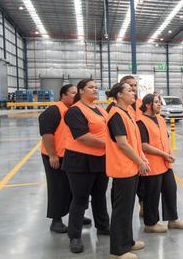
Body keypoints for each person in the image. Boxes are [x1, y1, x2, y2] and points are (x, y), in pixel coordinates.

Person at [62, 79, 110, 254]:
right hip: (79, 161)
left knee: (99, 195)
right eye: (91, 87)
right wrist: (109, 146)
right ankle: (74, 236)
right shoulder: (74, 111)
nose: (95, 89)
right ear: (81, 91)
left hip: (100, 159)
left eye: (96, 87)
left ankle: (104, 226)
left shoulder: (99, 109)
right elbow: (82, 136)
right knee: (80, 199)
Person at [39, 84, 92, 233]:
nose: (76, 96)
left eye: (77, 93)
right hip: (56, 156)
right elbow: (46, 133)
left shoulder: (76, 110)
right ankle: (56, 220)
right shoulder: (55, 110)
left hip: (71, 156)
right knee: (57, 188)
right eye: (73, 93)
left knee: (74, 189)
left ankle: (77, 217)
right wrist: (52, 155)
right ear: (63, 95)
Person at [105, 82, 150, 259]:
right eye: (129, 90)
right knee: (121, 210)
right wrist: (139, 161)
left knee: (128, 208)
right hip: (122, 168)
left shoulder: (128, 112)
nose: (133, 92)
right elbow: (122, 144)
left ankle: (128, 241)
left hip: (131, 167)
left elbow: (134, 141)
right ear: (119, 95)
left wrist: (142, 158)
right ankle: (118, 250)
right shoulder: (115, 114)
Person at [137, 93, 183, 234]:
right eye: (156, 102)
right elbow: (144, 145)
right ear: (148, 105)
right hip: (152, 165)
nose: (160, 104)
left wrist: (169, 153)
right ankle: (150, 224)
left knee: (170, 190)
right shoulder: (141, 122)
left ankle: (173, 220)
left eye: (159, 102)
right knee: (152, 195)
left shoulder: (160, 119)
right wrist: (164, 154)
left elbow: (164, 139)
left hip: (165, 164)